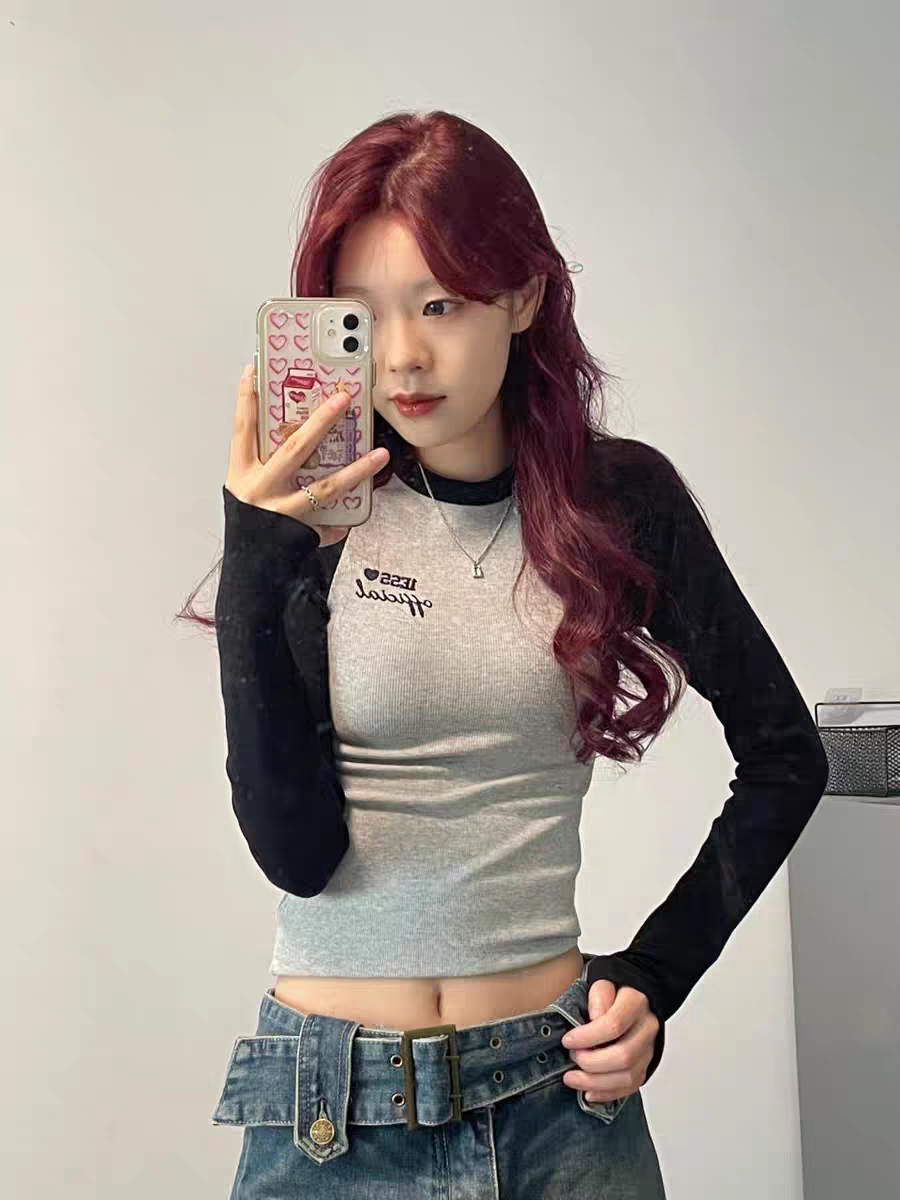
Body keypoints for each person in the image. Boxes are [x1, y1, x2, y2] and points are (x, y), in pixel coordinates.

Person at [178, 110, 829, 1198]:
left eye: (441, 304)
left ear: (523, 296)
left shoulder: (618, 501)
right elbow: (294, 853)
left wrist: (655, 977)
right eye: (366, 314)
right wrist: (257, 555)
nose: (402, 355)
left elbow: (786, 756)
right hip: (334, 1114)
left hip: (556, 1099)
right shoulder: (314, 516)